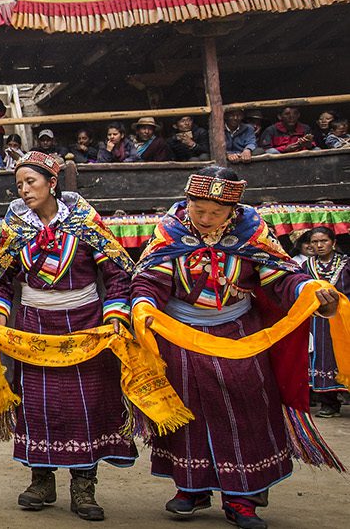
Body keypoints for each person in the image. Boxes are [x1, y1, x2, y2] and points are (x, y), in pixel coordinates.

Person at [131, 166, 339, 529]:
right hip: (180, 335)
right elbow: (151, 277)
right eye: (199, 211)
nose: (206, 219)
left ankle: (242, 497)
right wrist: (144, 305)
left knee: (245, 409)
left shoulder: (251, 233)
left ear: (234, 210)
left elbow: (281, 277)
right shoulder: (170, 231)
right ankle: (191, 487)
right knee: (187, 407)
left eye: (216, 213)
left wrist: (308, 292)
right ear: (188, 202)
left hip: (240, 334)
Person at [0, 151, 137, 522]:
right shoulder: (16, 227)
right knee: (38, 404)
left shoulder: (86, 222)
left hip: (84, 324)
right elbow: (1, 281)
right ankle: (41, 480)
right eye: (19, 184)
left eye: (31, 182)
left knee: (85, 404)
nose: (23, 190)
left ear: (52, 184)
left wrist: (115, 314)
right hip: (33, 326)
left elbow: (118, 275)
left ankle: (84, 487)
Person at [301, 227, 347, 418]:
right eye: (314, 242)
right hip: (317, 321)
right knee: (322, 356)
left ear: (333, 242)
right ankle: (329, 403)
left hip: (344, 318)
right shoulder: (306, 266)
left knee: (344, 354)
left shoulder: (346, 264)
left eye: (324, 241)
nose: (319, 245)